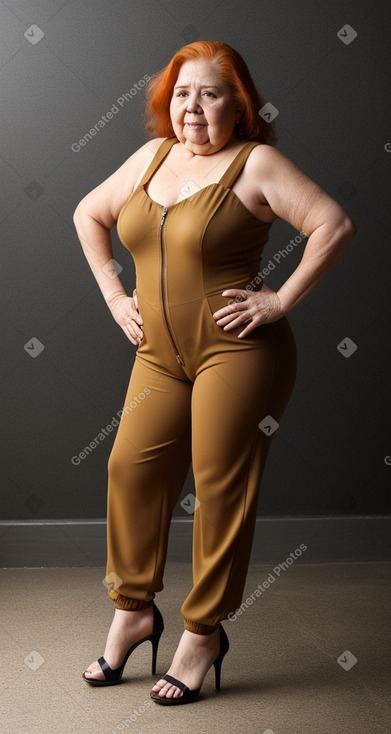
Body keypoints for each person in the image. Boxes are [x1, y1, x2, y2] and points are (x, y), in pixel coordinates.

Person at [73, 40, 356, 705]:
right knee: (129, 468)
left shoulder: (256, 164)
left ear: (240, 104)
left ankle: (203, 632)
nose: (192, 106)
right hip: (158, 357)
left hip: (238, 351)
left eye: (209, 92)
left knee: (217, 485)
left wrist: (280, 299)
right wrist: (116, 296)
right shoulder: (151, 158)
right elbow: (89, 212)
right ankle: (134, 610)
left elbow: (332, 224)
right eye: (180, 93)